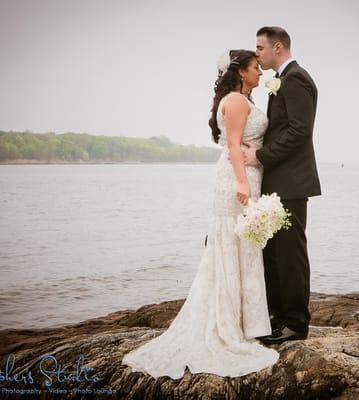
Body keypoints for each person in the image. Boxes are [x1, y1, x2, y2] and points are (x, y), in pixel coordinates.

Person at [121, 49, 279, 379]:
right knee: (231, 246)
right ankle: (230, 326)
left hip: (247, 175)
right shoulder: (235, 101)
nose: (259, 72)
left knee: (243, 247)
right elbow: (234, 144)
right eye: (254, 68)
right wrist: (241, 182)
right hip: (237, 180)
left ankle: (242, 322)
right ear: (241, 73)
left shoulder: (241, 98)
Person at [242, 26, 322, 344]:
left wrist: (260, 156)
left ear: (278, 47)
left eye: (260, 47)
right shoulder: (282, 81)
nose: (257, 53)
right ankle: (277, 318)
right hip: (277, 183)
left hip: (292, 183)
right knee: (273, 254)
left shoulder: (297, 78)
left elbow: (300, 131)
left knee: (291, 256)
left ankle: (296, 324)